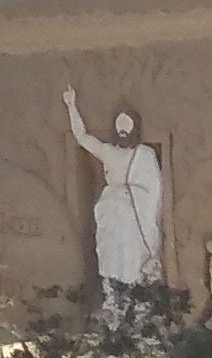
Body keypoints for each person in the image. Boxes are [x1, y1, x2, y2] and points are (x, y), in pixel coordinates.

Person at [62, 90, 167, 318]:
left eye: (126, 125)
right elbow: (82, 137)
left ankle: (138, 302)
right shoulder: (108, 152)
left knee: (132, 258)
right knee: (110, 256)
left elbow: (153, 188)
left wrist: (131, 195)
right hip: (110, 214)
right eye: (119, 125)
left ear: (134, 128)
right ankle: (112, 301)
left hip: (134, 218)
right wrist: (71, 105)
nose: (122, 130)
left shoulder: (144, 155)